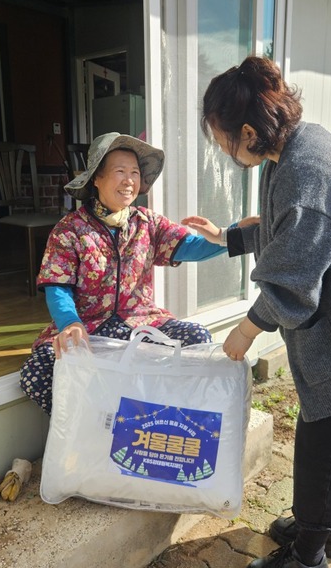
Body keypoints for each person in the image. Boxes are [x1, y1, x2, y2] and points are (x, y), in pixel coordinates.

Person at [183, 56, 331, 568]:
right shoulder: (292, 150)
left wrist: (243, 334)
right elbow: (284, 228)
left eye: (223, 141)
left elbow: (291, 284)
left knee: (328, 447)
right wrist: (226, 237)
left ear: (248, 132)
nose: (224, 151)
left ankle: (309, 552)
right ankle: (330, 530)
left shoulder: (307, 171)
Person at [20, 132, 234, 417]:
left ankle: (156, 421)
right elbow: (57, 286)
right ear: (96, 178)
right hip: (89, 327)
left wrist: (231, 236)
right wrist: (69, 322)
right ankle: (95, 426)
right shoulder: (69, 229)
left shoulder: (147, 222)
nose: (129, 180)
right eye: (119, 171)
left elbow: (190, 247)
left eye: (134, 172)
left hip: (141, 322)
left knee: (196, 339)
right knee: (39, 369)